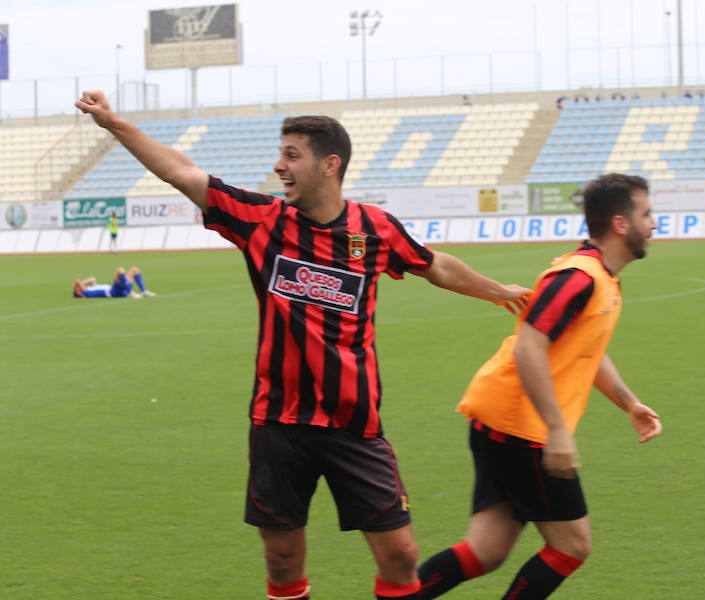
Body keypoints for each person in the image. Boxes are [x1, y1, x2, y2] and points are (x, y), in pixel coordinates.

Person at [76, 89, 530, 600]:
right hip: (279, 422)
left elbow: (434, 264)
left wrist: (498, 292)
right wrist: (115, 124)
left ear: (329, 164)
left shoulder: (373, 228)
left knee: (400, 554)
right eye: (281, 154)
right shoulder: (260, 220)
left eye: (292, 155)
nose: (279, 166)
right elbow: (180, 171)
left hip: (354, 422)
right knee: (282, 555)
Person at [416, 173, 663, 600]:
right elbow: (530, 346)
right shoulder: (577, 276)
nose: (654, 223)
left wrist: (629, 403)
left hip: (503, 418)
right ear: (621, 224)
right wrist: (557, 430)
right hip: (521, 427)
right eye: (647, 213)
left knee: (486, 550)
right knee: (572, 545)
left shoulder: (599, 277)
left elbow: (586, 349)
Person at [72, 266, 156, 298]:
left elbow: (92, 279)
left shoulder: (91, 288)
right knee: (120, 270)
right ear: (79, 292)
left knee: (135, 270)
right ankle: (130, 292)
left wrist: (81, 284)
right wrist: (77, 285)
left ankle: (143, 290)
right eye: (78, 288)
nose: (79, 286)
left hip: (118, 289)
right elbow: (77, 281)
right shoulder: (87, 293)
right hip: (113, 292)